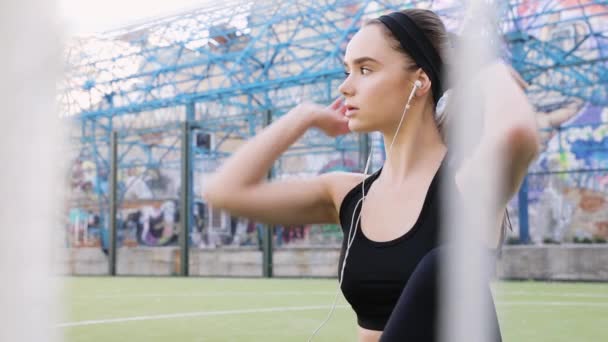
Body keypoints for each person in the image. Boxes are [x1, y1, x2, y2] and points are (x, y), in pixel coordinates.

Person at [203, 9, 539, 342]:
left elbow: (516, 135)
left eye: (365, 69)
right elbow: (225, 192)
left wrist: (489, 72)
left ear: (419, 82)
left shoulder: (466, 184)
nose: (345, 87)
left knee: (443, 265)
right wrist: (303, 116)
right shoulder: (347, 194)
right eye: (347, 70)